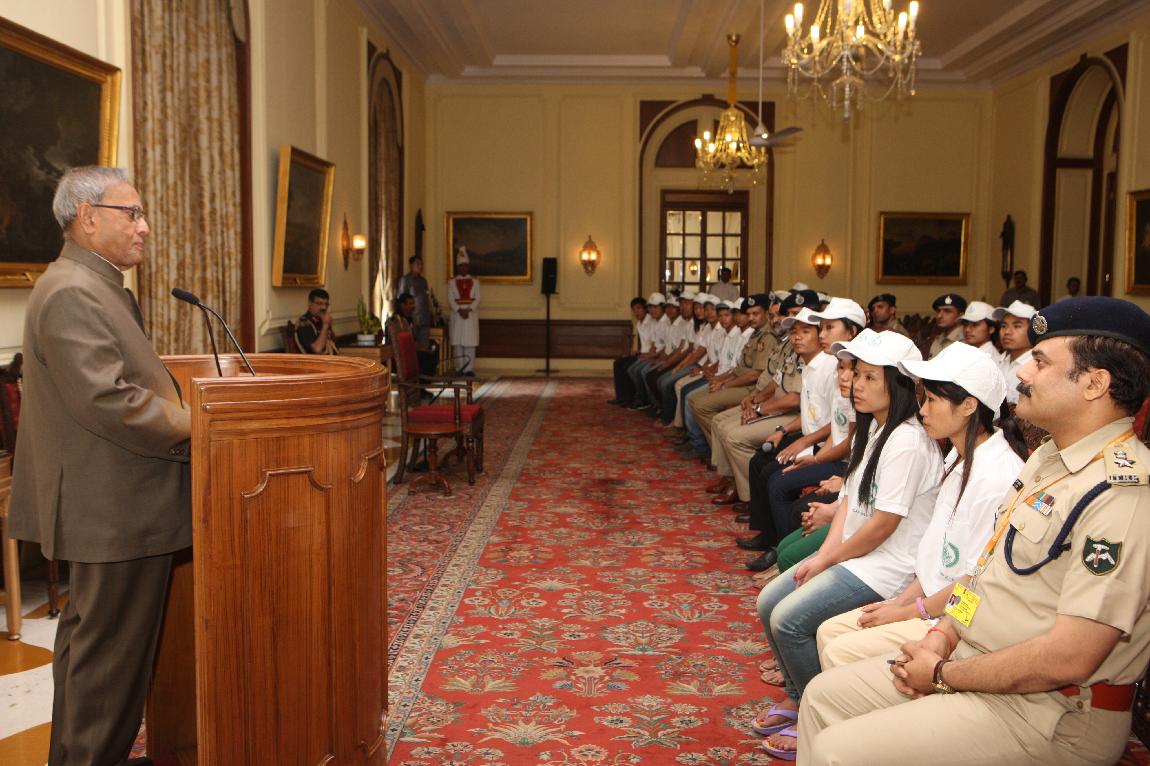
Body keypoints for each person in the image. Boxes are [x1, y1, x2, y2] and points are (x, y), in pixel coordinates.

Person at [798, 296, 1150, 766]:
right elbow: (984, 575)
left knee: (836, 751)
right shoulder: (1049, 460)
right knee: (822, 697)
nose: (1022, 371)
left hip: (1052, 710)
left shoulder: (1121, 493)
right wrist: (943, 634)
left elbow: (1071, 658)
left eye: (1041, 361)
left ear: (1094, 383)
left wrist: (941, 672)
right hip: (975, 658)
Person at [7, 166, 191, 766]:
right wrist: (200, 426)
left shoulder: (95, 283)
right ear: (87, 218)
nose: (144, 226)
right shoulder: (72, 291)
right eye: (130, 213)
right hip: (115, 508)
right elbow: (108, 400)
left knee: (92, 658)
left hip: (119, 502)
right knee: (108, 670)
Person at [751, 329, 943, 759]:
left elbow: (883, 525)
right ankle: (797, 695)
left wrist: (828, 560)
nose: (856, 384)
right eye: (856, 374)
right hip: (860, 555)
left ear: (899, 384)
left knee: (790, 620)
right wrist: (823, 556)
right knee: (768, 602)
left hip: (889, 565)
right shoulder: (874, 429)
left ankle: (814, 716)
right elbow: (850, 505)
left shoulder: (907, 441)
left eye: (870, 377)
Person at [815, 342, 1027, 669]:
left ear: (969, 405)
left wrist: (911, 612)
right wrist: (900, 603)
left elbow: (975, 584)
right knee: (829, 631)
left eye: (932, 401)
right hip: (927, 601)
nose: (923, 411)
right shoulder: (958, 458)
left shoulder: (997, 476)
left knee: (838, 649)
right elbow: (932, 560)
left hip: (955, 620)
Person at [741, 299, 865, 570]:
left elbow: (850, 442)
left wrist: (816, 458)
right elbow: (838, 429)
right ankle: (777, 544)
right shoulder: (836, 367)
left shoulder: (849, 374)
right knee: (769, 467)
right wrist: (804, 447)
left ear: (852, 332)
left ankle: (783, 554)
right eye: (822, 328)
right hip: (835, 454)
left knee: (779, 482)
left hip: (845, 463)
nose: (822, 335)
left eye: (829, 328)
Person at [993, 300, 1036, 405]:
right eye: (1004, 326)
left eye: (1017, 326)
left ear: (1033, 331)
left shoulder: (1036, 366)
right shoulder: (998, 361)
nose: (1007, 332)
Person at [608, 297, 649, 405]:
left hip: (649, 355)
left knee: (628, 366)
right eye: (634, 309)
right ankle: (621, 396)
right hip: (641, 353)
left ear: (645, 309)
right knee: (618, 362)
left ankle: (630, 398)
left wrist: (643, 353)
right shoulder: (639, 323)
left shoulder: (652, 321)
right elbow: (643, 342)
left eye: (639, 308)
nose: (636, 312)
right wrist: (636, 351)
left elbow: (655, 344)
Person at [448, 247, 481, 375]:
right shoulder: (452, 282)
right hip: (457, 316)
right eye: (461, 266)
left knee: (470, 344)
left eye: (465, 265)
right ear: (458, 267)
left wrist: (469, 309)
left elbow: (478, 298)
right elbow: (450, 299)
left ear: (468, 267)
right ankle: (459, 369)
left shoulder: (475, 282)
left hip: (470, 316)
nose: (463, 268)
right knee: (457, 344)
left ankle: (469, 369)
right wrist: (459, 310)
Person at [388, 292, 437, 375]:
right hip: (400, 356)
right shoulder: (396, 320)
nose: (413, 306)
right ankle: (422, 381)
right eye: (410, 304)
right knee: (427, 357)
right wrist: (423, 349)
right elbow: (405, 343)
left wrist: (423, 348)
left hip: (410, 350)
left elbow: (413, 339)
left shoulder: (409, 318)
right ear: (403, 305)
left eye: (413, 303)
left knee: (433, 350)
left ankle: (424, 380)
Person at [396, 254, 433, 356]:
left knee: (424, 348)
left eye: (422, 264)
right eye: (418, 264)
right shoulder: (405, 280)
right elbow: (401, 300)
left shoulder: (423, 281)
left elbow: (427, 298)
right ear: (411, 265)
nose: (421, 266)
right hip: (412, 320)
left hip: (424, 319)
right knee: (412, 348)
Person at [296, 287, 337, 354]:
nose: (324, 307)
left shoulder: (322, 319)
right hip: (315, 360)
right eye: (319, 303)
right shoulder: (304, 323)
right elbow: (317, 349)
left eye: (326, 304)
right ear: (310, 303)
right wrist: (325, 325)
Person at [928, 293, 966, 358]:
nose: (939, 316)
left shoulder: (967, 339)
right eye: (938, 311)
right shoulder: (938, 340)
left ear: (960, 315)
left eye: (947, 311)